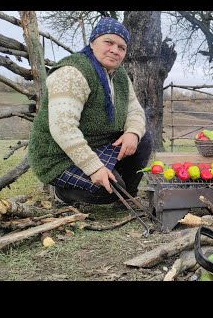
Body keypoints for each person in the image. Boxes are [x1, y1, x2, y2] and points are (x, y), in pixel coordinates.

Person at [28, 17, 152, 205]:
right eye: (108, 42)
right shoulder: (72, 73)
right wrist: (93, 168)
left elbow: (134, 111)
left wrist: (133, 133)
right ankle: (62, 192)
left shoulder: (120, 75)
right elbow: (64, 128)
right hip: (59, 157)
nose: (115, 50)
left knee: (142, 139)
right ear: (93, 42)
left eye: (121, 47)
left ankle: (126, 198)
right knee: (108, 191)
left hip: (98, 144)